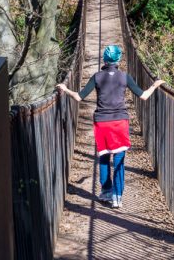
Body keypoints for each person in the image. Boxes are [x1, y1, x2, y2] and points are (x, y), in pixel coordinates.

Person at [56, 44, 164, 208]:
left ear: (104, 59)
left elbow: (78, 97)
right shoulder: (124, 77)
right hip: (120, 122)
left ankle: (106, 191)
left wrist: (66, 89)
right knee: (119, 160)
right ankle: (117, 196)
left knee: (104, 158)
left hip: (102, 123)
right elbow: (143, 96)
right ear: (118, 60)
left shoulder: (97, 77)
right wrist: (155, 85)